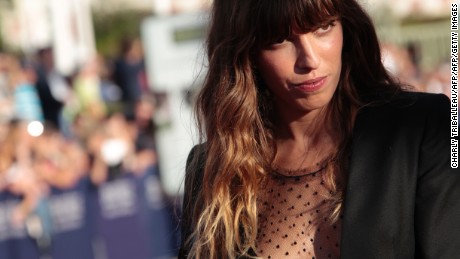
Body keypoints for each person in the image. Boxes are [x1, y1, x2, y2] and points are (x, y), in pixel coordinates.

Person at [178, 0, 459, 258]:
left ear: (346, 26)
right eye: (279, 39)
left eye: (323, 27)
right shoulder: (213, 171)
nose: (309, 60)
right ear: (245, 52)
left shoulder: (421, 128)